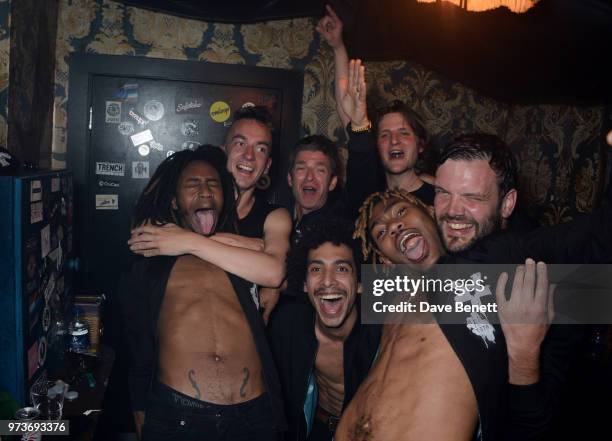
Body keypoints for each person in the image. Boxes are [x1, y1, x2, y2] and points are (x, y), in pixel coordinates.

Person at [119, 147, 285, 440]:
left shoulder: (239, 255)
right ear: (173, 200)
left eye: (214, 184)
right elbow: (138, 348)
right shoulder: (150, 264)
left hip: (255, 416)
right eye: (193, 184)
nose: (206, 191)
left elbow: (275, 264)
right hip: (179, 415)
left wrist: (277, 286)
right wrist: (140, 413)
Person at [128, 106, 292, 322]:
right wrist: (251, 246)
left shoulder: (275, 216)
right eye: (241, 144)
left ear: (267, 165)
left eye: (260, 149)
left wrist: (188, 241)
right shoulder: (194, 201)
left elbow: (273, 272)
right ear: (223, 151)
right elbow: (144, 237)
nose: (249, 156)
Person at [268, 220, 381, 441]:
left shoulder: (384, 326)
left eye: (341, 268)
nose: (328, 281)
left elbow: (465, 288)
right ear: (304, 283)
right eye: (316, 269)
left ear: (360, 284)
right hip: (314, 429)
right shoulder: (288, 325)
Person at [316, 5, 435, 214]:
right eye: (385, 135)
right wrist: (338, 47)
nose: (394, 141)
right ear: (376, 146)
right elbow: (351, 117)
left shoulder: (440, 196)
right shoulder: (370, 193)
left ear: (421, 144)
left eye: (404, 133)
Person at [287, 135, 349, 243]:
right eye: (301, 169)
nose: (309, 177)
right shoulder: (284, 228)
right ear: (290, 179)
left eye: (320, 170)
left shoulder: (336, 233)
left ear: (332, 183)